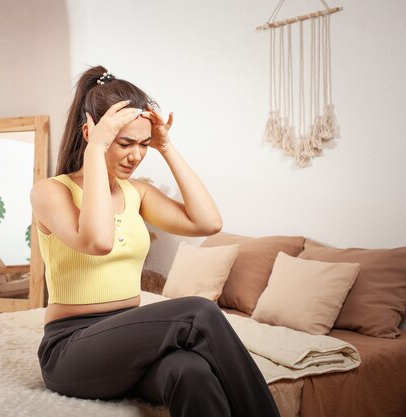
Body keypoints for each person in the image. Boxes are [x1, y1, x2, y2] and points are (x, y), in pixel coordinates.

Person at [30, 65, 281, 417]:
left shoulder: (138, 193)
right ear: (90, 132)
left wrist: (166, 146)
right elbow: (98, 241)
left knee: (191, 372)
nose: (136, 155)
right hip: (72, 350)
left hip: (130, 341)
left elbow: (208, 222)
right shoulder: (51, 192)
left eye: (144, 144)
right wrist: (94, 150)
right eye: (125, 143)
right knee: (197, 312)